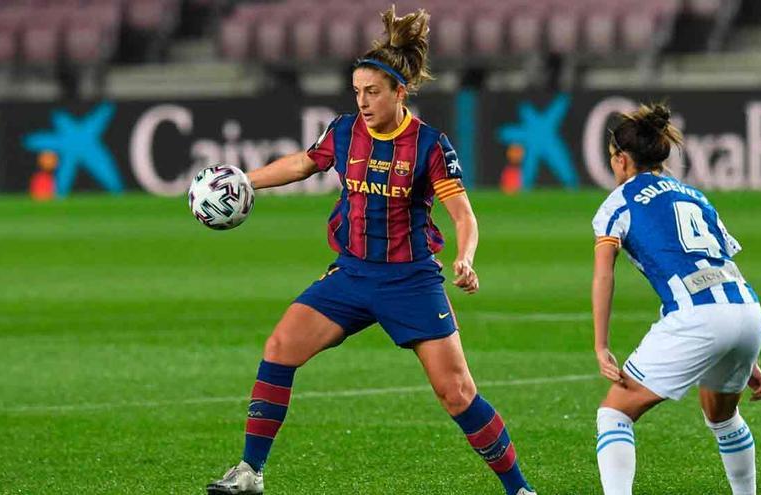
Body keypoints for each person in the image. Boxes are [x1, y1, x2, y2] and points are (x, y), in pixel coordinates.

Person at [206, 6, 536, 495]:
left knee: (457, 393)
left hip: (411, 280)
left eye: (372, 93)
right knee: (279, 349)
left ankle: (519, 488)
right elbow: (302, 163)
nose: (362, 101)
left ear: (399, 93)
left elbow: (464, 215)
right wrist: (243, 181)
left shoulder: (429, 145)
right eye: (357, 92)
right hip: (352, 275)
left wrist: (465, 257)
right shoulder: (344, 131)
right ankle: (250, 472)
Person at [591, 103, 761, 495]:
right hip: (747, 311)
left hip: (697, 317)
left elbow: (605, 273)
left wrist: (601, 344)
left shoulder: (617, 203)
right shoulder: (695, 196)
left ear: (621, 161)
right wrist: (747, 356)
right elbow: (720, 262)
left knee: (614, 413)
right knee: (722, 416)